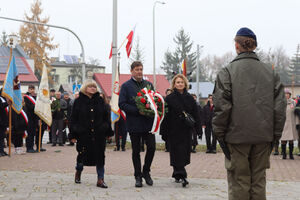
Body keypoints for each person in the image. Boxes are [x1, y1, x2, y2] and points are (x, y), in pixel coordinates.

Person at [212, 27, 286, 200]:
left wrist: (220, 135)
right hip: (263, 137)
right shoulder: (271, 72)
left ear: (237, 45)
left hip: (236, 137)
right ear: (254, 46)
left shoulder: (227, 72)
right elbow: (279, 108)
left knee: (239, 182)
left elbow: (222, 107)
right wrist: (274, 136)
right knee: (259, 182)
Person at [69, 80, 113, 188]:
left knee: (100, 156)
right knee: (81, 156)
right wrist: (73, 134)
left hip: (99, 134)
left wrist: (106, 130)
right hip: (83, 135)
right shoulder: (78, 101)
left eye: (94, 86)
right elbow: (73, 119)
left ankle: (100, 179)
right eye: (90, 86)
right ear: (85, 88)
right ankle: (78, 172)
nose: (93, 88)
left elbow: (106, 117)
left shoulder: (100, 101)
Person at [119, 61, 156, 188]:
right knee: (136, 151)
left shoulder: (148, 84)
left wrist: (152, 110)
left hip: (148, 123)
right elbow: (122, 104)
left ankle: (146, 171)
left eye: (141, 69)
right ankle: (138, 176)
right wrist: (137, 110)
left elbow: (154, 101)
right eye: (137, 69)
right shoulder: (126, 86)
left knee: (151, 147)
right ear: (132, 71)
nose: (139, 71)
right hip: (134, 123)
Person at [160, 74, 202, 187]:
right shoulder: (169, 98)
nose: (180, 84)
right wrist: (163, 131)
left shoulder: (190, 98)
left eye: (182, 82)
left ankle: (177, 173)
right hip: (173, 130)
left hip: (186, 130)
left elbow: (196, 115)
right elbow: (165, 116)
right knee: (175, 153)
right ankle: (182, 175)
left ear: (185, 84)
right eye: (178, 82)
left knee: (183, 153)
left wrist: (199, 130)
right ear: (174, 84)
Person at [280, 89, 298, 160]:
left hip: (291, 123)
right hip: (283, 124)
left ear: (290, 95)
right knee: (283, 140)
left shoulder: (293, 103)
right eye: (285, 94)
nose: (286, 95)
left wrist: (297, 123)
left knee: (291, 140)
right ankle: (284, 154)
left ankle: (291, 154)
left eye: (287, 94)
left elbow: (296, 113)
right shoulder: (280, 102)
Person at [24, 85, 38, 153]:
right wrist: (36, 107)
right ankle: (28, 148)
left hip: (34, 118)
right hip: (29, 117)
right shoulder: (26, 97)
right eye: (31, 89)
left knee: (33, 134)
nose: (32, 90)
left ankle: (31, 147)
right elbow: (29, 106)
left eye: (33, 89)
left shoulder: (35, 97)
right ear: (28, 89)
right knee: (29, 134)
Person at [0, 88, 9, 156]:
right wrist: (7, 103)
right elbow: (1, 106)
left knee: (3, 136)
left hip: (4, 121)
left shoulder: (4, 99)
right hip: (0, 121)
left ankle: (2, 150)